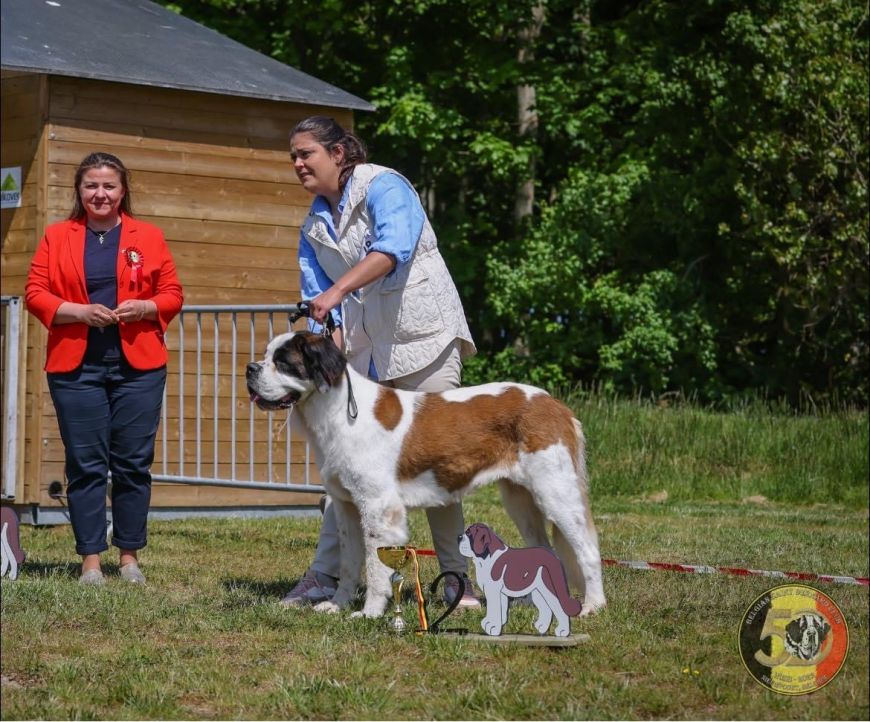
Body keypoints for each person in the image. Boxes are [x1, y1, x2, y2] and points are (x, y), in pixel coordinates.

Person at [281, 116, 479, 609]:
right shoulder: (312, 224)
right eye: (293, 157)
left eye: (306, 153)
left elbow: (394, 247)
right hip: (368, 355)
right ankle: (332, 578)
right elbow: (315, 300)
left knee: (436, 462)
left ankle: (457, 580)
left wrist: (337, 292)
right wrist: (333, 336)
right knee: (346, 471)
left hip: (425, 339)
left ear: (339, 154)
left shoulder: (385, 185)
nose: (298, 163)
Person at [25, 152, 183, 586]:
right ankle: (90, 560)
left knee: (133, 463)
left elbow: (172, 293)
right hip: (76, 369)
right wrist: (77, 312)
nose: (100, 193)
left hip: (139, 367)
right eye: (91, 185)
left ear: (122, 190)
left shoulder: (147, 236)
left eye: (108, 186)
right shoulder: (57, 236)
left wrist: (146, 306)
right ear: (79, 190)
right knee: (86, 464)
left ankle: (129, 557)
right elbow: (35, 293)